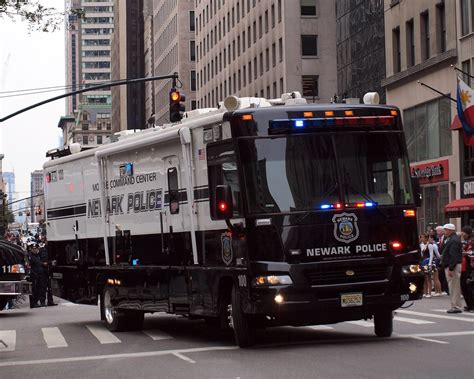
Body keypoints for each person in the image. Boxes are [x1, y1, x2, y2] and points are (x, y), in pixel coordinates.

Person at [440, 223, 463, 313]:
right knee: (453, 287)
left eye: (445, 230)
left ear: (450, 230)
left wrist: (451, 268)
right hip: (451, 265)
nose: (444, 231)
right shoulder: (452, 239)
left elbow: (454, 255)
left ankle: (456, 307)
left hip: (452, 266)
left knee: (454, 287)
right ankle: (455, 305)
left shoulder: (453, 240)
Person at [39, 238, 57, 306]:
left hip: (50, 270)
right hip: (43, 271)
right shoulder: (41, 250)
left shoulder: (52, 250)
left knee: (50, 287)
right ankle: (42, 301)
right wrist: (43, 264)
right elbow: (39, 260)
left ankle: (50, 301)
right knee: (43, 287)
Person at [28, 243, 46, 308]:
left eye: (36, 248)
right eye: (33, 249)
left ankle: (36, 301)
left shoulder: (38, 256)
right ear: (31, 249)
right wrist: (33, 274)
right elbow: (29, 267)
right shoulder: (30, 256)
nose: (35, 250)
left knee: (39, 289)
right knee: (33, 289)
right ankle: (33, 303)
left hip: (40, 275)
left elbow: (39, 263)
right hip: (34, 276)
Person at [461, 230, 474, 312]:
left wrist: (468, 254)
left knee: (470, 288)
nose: (470, 241)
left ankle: (472, 305)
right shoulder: (467, 246)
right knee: (464, 288)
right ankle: (469, 304)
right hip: (465, 268)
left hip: (471, 269)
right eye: (470, 240)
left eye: (472, 240)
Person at [435, 225, 449, 295]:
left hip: (445, 258)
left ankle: (446, 289)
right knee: (440, 274)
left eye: (438, 231)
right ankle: (442, 288)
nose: (437, 233)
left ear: (442, 231)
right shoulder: (436, 239)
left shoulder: (446, 238)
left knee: (445, 274)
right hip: (439, 259)